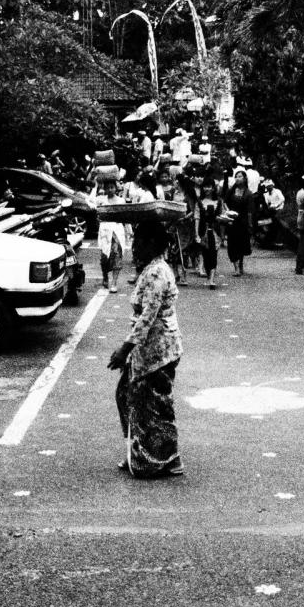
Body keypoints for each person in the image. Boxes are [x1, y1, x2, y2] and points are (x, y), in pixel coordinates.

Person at [107, 216, 184, 478]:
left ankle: (166, 458)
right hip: (149, 348)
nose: (135, 246)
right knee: (132, 397)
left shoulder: (156, 272)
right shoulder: (152, 268)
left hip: (159, 350)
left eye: (138, 241)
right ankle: (143, 451)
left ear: (152, 243)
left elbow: (147, 317)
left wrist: (124, 350)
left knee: (155, 405)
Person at [95, 177, 126, 292]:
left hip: (117, 231)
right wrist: (95, 185)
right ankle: (105, 277)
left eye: (112, 187)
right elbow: (92, 205)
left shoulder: (121, 201)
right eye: (107, 188)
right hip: (105, 231)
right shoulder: (101, 200)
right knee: (105, 258)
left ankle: (114, 283)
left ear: (116, 188)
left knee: (117, 255)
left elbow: (125, 216)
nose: (110, 190)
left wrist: (129, 231)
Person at [224, 168, 253, 276]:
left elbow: (250, 211)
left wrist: (250, 224)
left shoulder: (248, 193)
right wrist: (228, 211)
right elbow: (224, 202)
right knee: (232, 244)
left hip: (243, 222)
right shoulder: (231, 191)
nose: (237, 178)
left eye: (240, 176)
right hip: (232, 221)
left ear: (245, 179)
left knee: (241, 245)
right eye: (236, 177)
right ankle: (236, 267)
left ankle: (240, 263)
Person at [197, 177, 223, 288]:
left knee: (213, 255)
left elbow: (222, 215)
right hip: (203, 231)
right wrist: (196, 234)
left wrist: (221, 221)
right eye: (205, 186)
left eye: (209, 186)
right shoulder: (199, 201)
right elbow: (197, 218)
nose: (207, 189)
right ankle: (209, 275)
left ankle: (212, 279)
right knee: (205, 255)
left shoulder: (219, 201)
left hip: (215, 232)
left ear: (213, 188)